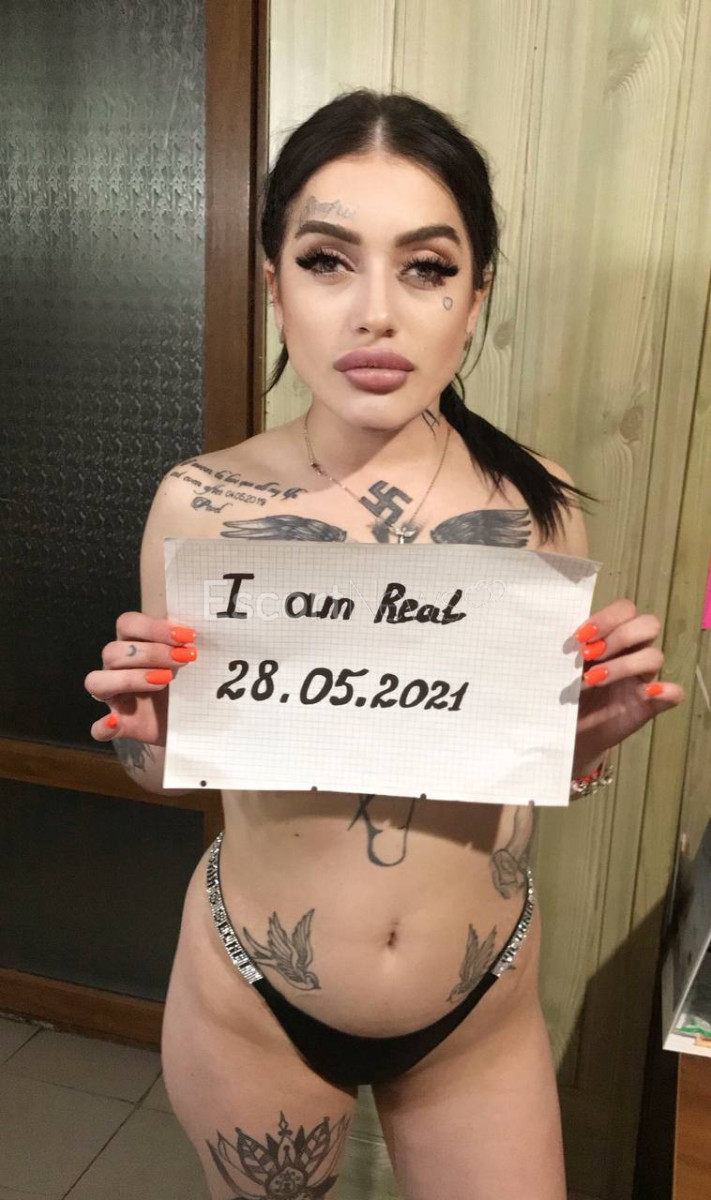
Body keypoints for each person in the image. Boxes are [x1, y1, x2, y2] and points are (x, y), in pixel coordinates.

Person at [85, 89, 685, 1199]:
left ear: (476, 295)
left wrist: (585, 743)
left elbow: (527, 764)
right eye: (326, 260)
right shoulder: (199, 506)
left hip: (480, 1009)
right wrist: (151, 735)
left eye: (425, 267)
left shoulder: (537, 506)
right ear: (275, 285)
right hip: (256, 999)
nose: (376, 313)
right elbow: (165, 768)